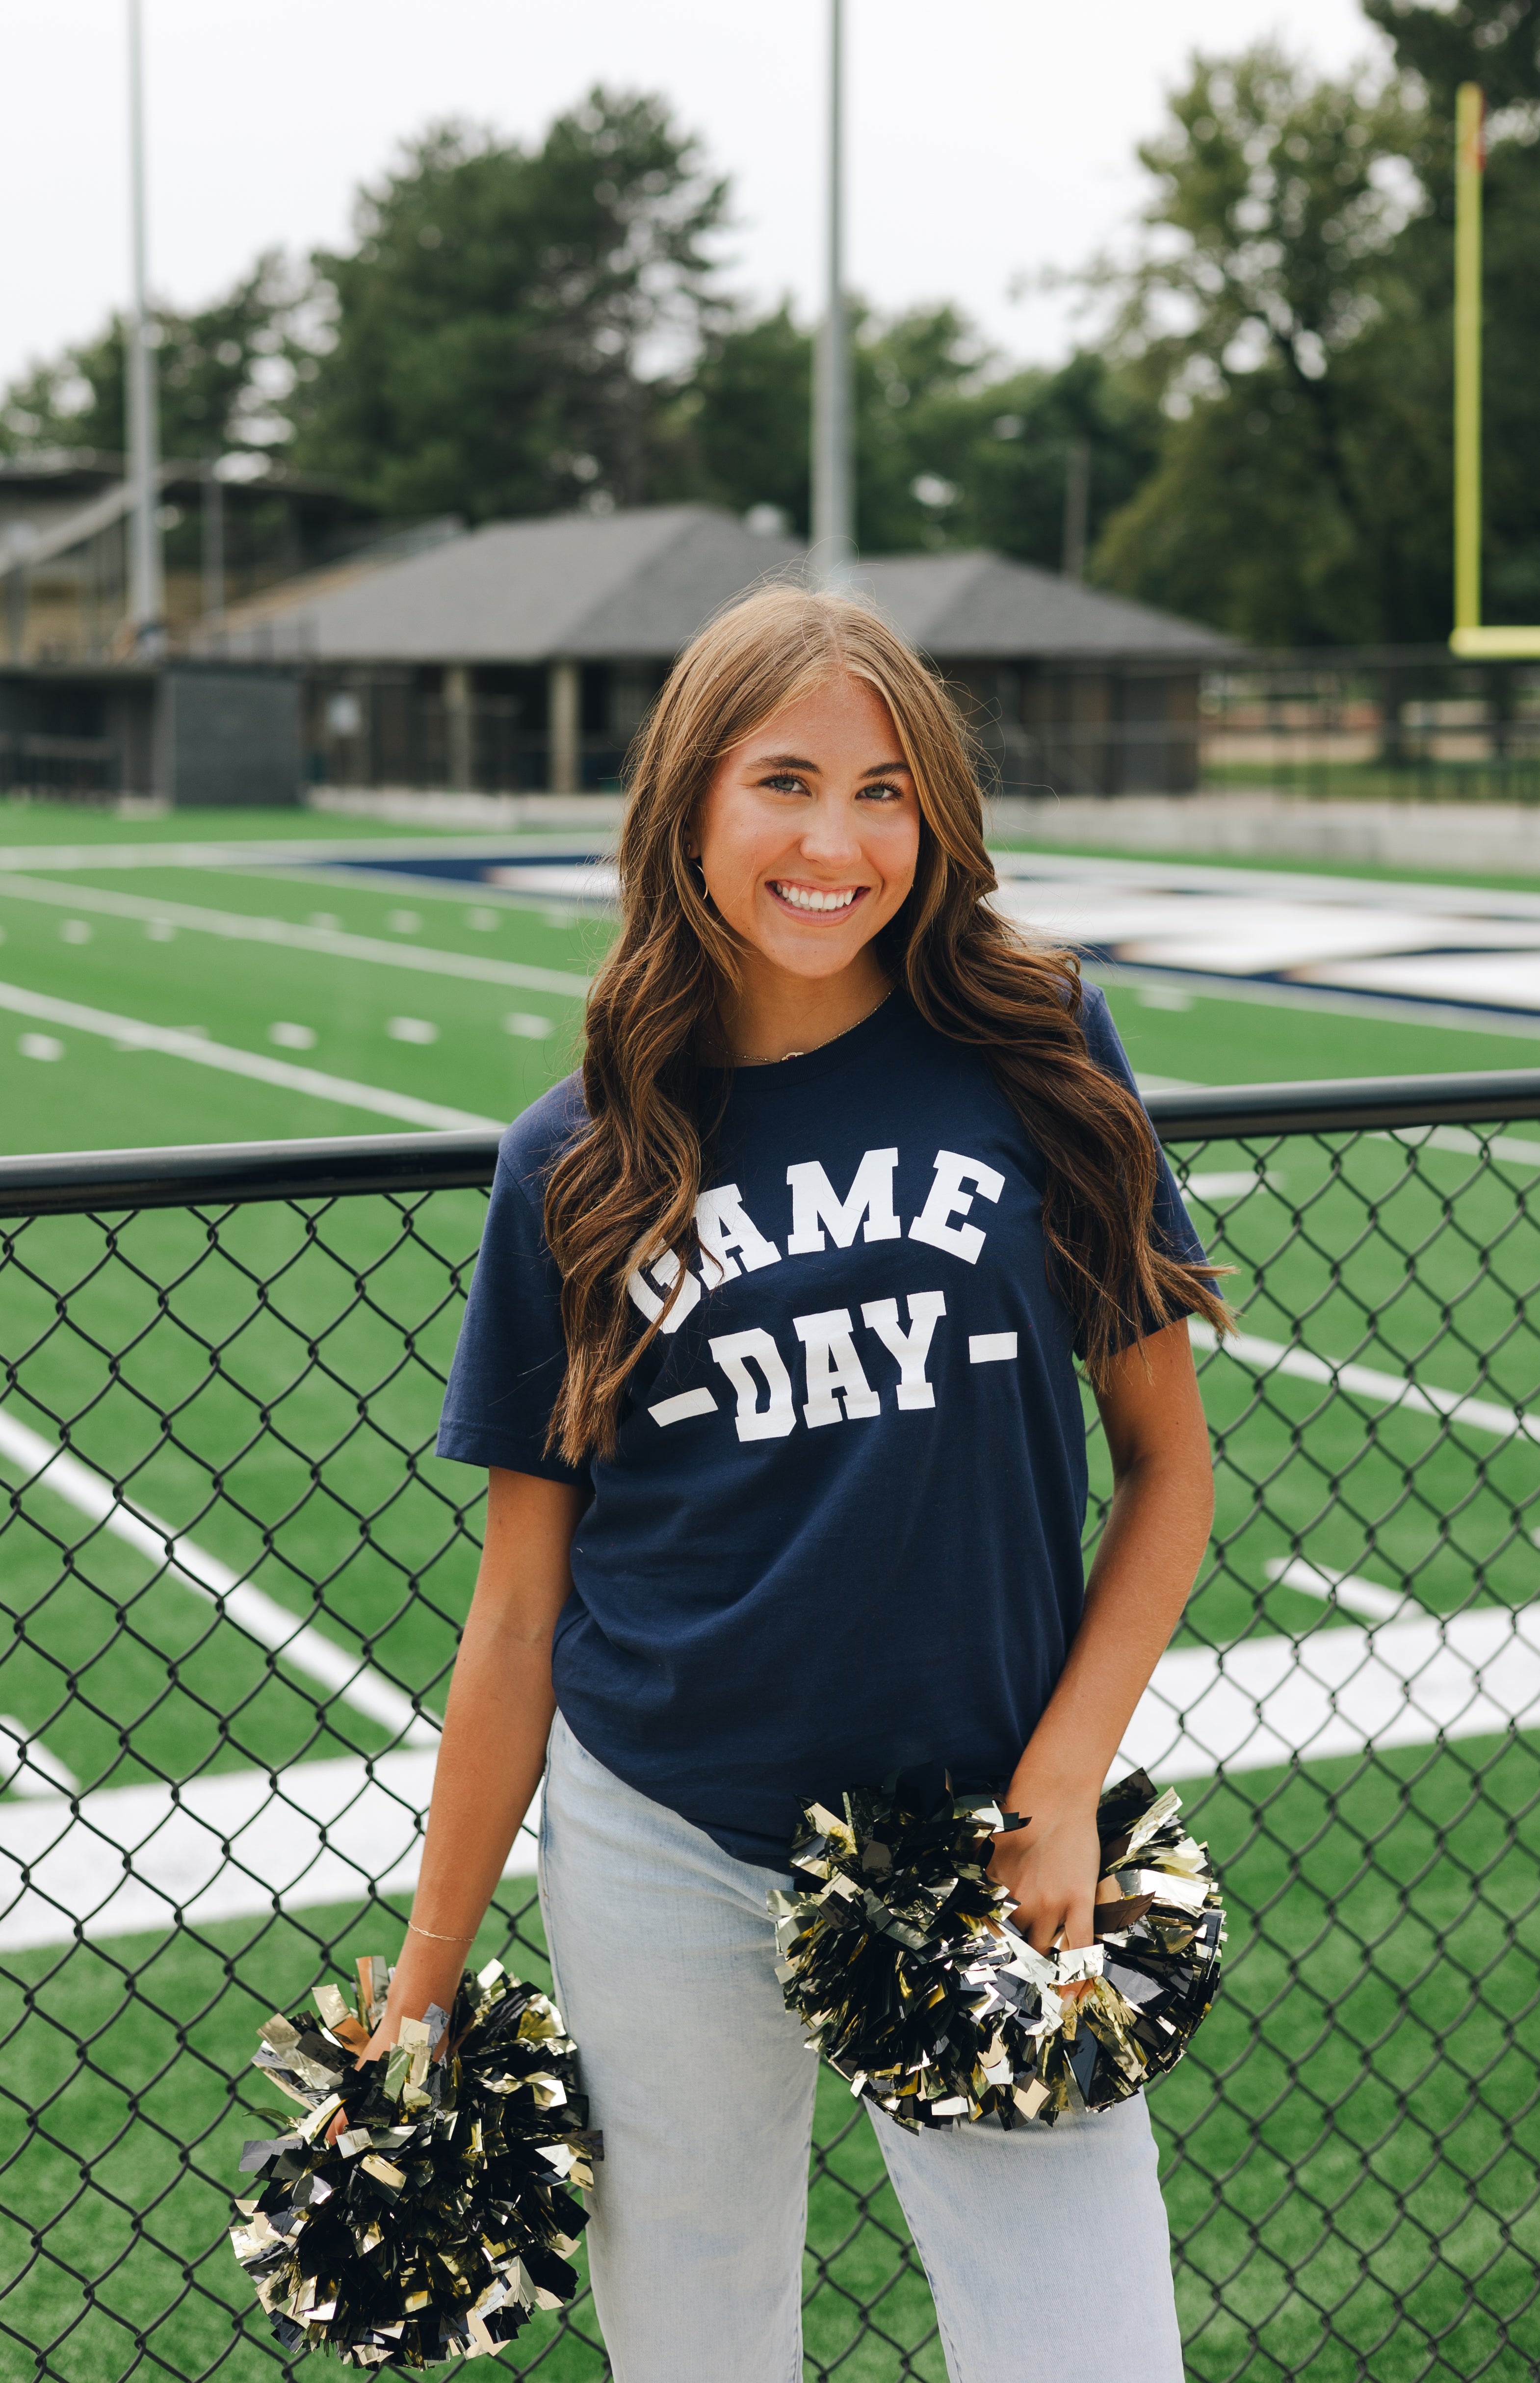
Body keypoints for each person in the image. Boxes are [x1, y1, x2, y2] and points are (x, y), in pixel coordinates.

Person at [361, 585, 1228, 2382]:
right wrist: (426, 1974)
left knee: (1089, 2341)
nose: (837, 840)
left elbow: (1166, 1468)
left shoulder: (1042, 1052)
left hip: (982, 1829)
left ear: (937, 818)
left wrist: (1061, 1784)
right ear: (688, 806)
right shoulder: (578, 1154)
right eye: (784, 782)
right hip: (659, 1822)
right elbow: (522, 1604)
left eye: (888, 790)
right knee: (693, 2335)